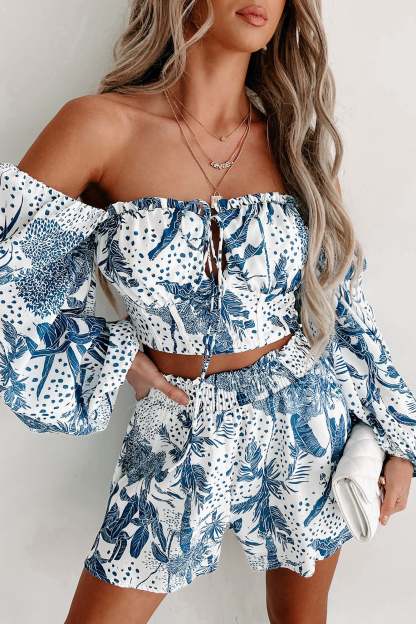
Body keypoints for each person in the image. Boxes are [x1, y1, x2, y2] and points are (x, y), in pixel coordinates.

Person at [0, 1, 415, 623]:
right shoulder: (99, 126)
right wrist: (117, 357)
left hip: (306, 415)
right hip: (181, 423)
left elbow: (342, 298)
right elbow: (10, 279)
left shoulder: (291, 140)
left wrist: (399, 436)